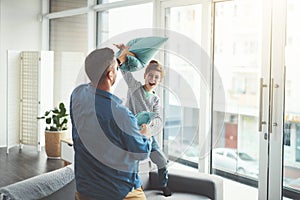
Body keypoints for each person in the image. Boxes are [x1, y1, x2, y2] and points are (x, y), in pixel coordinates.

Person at [70, 47, 152, 200]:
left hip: (85, 192)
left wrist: (116, 62)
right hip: (119, 193)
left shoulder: (77, 95)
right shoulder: (121, 115)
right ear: (110, 74)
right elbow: (141, 152)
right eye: (115, 69)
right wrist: (146, 136)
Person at [116, 46, 172, 196]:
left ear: (160, 81)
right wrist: (124, 53)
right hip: (131, 134)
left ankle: (164, 185)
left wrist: (150, 125)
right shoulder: (135, 88)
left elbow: (157, 117)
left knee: (161, 161)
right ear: (145, 75)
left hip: (147, 135)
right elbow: (125, 72)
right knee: (131, 163)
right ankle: (132, 188)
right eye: (150, 75)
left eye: (156, 77)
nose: (152, 79)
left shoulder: (155, 99)